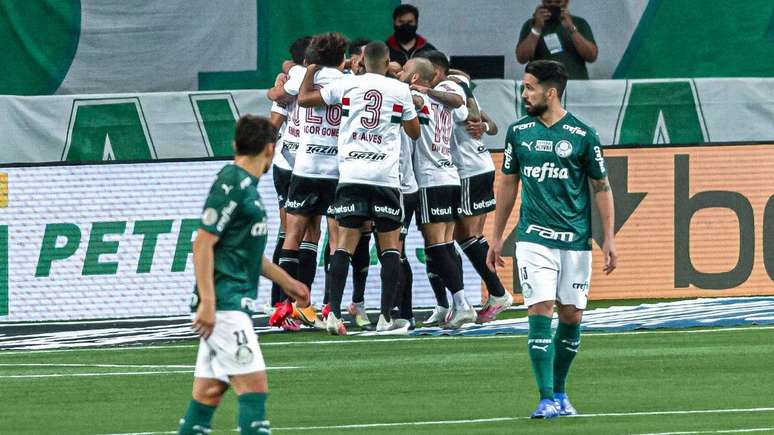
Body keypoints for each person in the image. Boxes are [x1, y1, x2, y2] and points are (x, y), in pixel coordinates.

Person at [486, 60, 617, 418]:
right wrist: (497, 237)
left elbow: (601, 187)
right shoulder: (519, 133)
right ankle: (545, 398)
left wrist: (608, 238)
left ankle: (560, 393)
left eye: (529, 87)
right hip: (533, 239)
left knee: (572, 316)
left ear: (551, 92)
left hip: (575, 241)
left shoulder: (583, 135)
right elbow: (508, 184)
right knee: (540, 310)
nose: (523, 94)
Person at [177, 115, 311, 435]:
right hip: (224, 306)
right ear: (270, 149)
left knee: (209, 392)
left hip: (231, 304)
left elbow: (245, 251)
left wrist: (288, 283)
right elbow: (202, 244)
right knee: (254, 386)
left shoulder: (246, 187)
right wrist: (208, 302)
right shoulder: (232, 184)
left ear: (235, 144)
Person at [298, 41, 420, 335]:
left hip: (352, 174)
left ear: (362, 59)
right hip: (385, 178)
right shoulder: (399, 90)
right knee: (390, 246)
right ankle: (386, 318)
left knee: (344, 245)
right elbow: (414, 132)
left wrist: (311, 69)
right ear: (388, 60)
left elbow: (303, 99)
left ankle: (334, 313)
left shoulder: (348, 84)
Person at [269, 33, 349, 328]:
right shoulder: (348, 80)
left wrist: (283, 80)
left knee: (294, 232)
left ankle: (290, 305)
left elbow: (277, 95)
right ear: (342, 57)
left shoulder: (302, 75)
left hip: (303, 166)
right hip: (336, 170)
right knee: (329, 237)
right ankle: (329, 307)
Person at [400, 57, 475, 329]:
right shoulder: (445, 97)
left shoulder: (416, 97)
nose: (402, 73)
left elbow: (417, 104)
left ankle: (462, 303)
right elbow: (460, 102)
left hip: (431, 179)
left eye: (406, 71)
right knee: (444, 244)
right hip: (450, 177)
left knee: (436, 246)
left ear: (416, 79)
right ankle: (457, 305)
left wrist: (419, 94)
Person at [445, 72, 514, 323]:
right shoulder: (463, 96)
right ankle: (494, 293)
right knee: (469, 236)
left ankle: (498, 292)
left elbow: (486, 123)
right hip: (481, 166)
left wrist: (482, 125)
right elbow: (492, 125)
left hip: (469, 170)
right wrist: (483, 125)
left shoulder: (451, 95)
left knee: (464, 236)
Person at [267, 35, 315, 331]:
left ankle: (282, 305)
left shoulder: (293, 77)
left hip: (286, 164)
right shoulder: (315, 77)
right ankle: (295, 306)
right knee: (308, 232)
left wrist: (275, 90)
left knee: (291, 231)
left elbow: (275, 119)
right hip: (305, 166)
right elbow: (274, 118)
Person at [515, 0, 597, 80]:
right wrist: (536, 28)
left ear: (566, 2)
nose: (553, 5)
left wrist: (571, 29)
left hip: (575, 84)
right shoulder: (531, 24)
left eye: (558, 2)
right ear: (542, 2)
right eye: (548, 2)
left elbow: (592, 56)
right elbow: (521, 58)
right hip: (542, 85)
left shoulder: (579, 23)